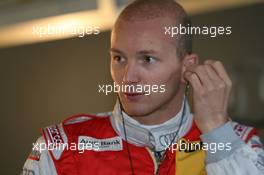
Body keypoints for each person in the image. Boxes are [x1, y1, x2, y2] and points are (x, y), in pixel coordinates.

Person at [21, 0, 264, 174]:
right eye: (119, 58)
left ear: (186, 67)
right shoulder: (60, 147)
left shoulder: (239, 144)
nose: (128, 77)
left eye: (147, 59)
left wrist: (216, 132)